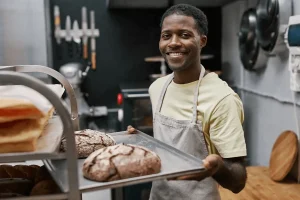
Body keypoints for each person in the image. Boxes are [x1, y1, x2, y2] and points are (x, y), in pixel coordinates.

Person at [128, 3, 247, 200]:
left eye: (184, 35)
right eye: (166, 35)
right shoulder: (157, 88)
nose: (173, 43)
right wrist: (138, 141)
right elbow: (168, 148)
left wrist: (216, 167)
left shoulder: (222, 99)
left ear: (202, 41)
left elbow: (238, 181)